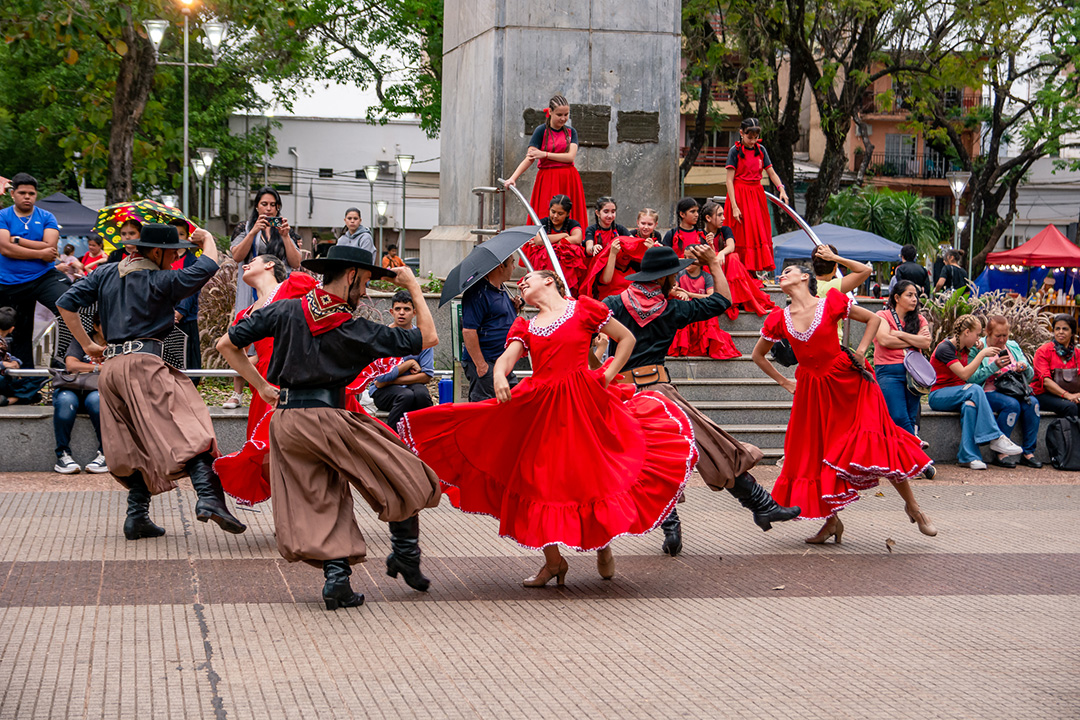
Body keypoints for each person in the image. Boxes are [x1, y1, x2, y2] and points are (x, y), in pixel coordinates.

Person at [401, 270, 695, 586]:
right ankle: (554, 562)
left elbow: (627, 339)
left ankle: (602, 544)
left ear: (549, 281)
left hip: (583, 406)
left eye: (528, 278)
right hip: (540, 408)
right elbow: (506, 359)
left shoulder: (583, 309)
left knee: (592, 475)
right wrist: (499, 376)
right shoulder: (526, 326)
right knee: (536, 481)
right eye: (521, 280)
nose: (522, 282)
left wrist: (607, 376)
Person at [217, 245, 441, 610]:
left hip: (286, 422)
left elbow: (226, 344)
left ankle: (337, 579)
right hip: (328, 418)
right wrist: (413, 286)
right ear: (350, 275)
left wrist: (261, 387)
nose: (365, 292)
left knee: (321, 497)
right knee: (404, 472)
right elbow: (429, 338)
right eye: (364, 282)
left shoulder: (286, 309)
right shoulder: (354, 328)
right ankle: (405, 553)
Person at [56, 224, 247, 541]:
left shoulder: (105, 273)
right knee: (189, 426)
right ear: (156, 252)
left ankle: (137, 518)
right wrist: (208, 239)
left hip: (111, 371)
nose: (175, 258)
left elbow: (65, 302)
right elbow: (207, 267)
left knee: (132, 445)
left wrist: (87, 344)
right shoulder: (162, 280)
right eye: (172, 253)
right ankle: (210, 498)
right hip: (143, 365)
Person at [604, 245, 799, 555]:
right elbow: (722, 301)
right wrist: (714, 265)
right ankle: (759, 505)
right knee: (707, 446)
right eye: (673, 275)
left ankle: (675, 527)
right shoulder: (672, 309)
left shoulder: (613, 304)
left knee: (651, 461)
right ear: (666, 278)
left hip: (622, 395)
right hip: (656, 393)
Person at [752, 266, 936, 543]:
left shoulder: (831, 303)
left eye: (788, 271)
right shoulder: (779, 318)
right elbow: (757, 355)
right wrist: (785, 382)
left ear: (805, 277)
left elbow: (872, 319)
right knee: (817, 453)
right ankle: (832, 522)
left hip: (847, 382)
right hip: (812, 390)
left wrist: (861, 351)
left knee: (878, 442)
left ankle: (913, 507)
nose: (782, 275)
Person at [214, 256, 318, 507]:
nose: (245, 264)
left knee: (304, 452)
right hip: (267, 389)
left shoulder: (292, 286)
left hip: (300, 379)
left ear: (270, 265)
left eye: (253, 260)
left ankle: (309, 509)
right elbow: (231, 351)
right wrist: (259, 384)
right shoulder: (246, 314)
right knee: (269, 458)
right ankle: (290, 513)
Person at [227, 187, 302, 409]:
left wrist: (286, 236)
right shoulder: (245, 227)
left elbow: (296, 262)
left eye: (273, 205)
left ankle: (273, 385)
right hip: (250, 289)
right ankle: (237, 393)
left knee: (273, 341)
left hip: (278, 290)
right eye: (264, 204)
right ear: (256, 206)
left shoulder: (284, 229)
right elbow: (237, 256)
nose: (269, 209)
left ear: (278, 208)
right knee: (243, 335)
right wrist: (253, 232)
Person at [927, 314, 1023, 469]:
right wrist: (982, 353)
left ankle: (968, 457)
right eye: (977, 335)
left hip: (959, 393)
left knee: (970, 406)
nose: (979, 339)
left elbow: (970, 375)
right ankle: (995, 437)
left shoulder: (966, 347)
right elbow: (965, 375)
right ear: (967, 332)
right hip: (939, 395)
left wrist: (978, 349)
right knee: (976, 389)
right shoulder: (945, 348)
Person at [0, 172, 68, 370]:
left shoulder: (46, 216)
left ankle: (63, 358)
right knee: (16, 329)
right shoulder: (3, 216)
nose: (27, 197)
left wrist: (17, 240)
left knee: (70, 305)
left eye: (31, 193)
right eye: (22, 193)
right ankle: (20, 381)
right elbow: (5, 249)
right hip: (8, 281)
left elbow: (51, 247)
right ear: (13, 194)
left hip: (43, 277)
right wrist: (40, 253)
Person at [873, 280, 933, 473]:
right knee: (898, 415)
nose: (914, 299)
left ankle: (907, 463)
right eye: (909, 295)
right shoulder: (882, 316)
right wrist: (914, 340)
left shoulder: (920, 319)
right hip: (888, 371)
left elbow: (926, 343)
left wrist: (898, 335)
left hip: (914, 374)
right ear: (897, 297)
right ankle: (920, 459)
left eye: (916, 295)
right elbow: (884, 340)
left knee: (908, 417)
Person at [505, 94, 588, 228]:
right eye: (559, 114)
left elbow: (570, 157)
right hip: (547, 179)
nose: (563, 118)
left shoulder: (571, 132)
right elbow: (530, 158)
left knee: (570, 217)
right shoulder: (541, 131)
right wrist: (513, 178)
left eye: (566, 114)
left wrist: (544, 154)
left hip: (569, 178)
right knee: (545, 215)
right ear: (550, 112)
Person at [973, 315, 1041, 468]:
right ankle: (1000, 452)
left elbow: (1030, 376)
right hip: (989, 391)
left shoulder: (1012, 346)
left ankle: (1028, 453)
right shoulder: (979, 347)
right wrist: (993, 368)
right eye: (998, 336)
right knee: (1011, 405)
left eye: (1005, 335)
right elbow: (973, 378)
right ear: (988, 333)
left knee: (1033, 404)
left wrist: (1024, 367)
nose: (1002, 340)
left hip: (1014, 390)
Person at [724, 118, 789, 275]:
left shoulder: (761, 150)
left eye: (755, 137)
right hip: (739, 195)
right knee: (741, 234)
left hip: (756, 196)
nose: (752, 141)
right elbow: (729, 180)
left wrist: (781, 189)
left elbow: (771, 173)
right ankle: (738, 272)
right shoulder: (735, 151)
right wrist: (734, 206)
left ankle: (753, 273)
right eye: (749, 137)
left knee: (757, 233)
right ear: (741, 133)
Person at [369, 291, 435, 430]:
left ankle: (427, 434)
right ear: (392, 312)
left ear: (414, 313)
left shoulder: (421, 338)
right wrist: (409, 364)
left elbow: (427, 375)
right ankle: (392, 437)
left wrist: (392, 381)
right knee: (406, 396)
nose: (402, 313)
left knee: (422, 394)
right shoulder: (382, 337)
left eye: (406, 309)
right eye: (398, 309)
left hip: (408, 386)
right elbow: (381, 379)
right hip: (384, 393)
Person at [461, 256, 523, 401]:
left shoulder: (501, 289)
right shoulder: (477, 292)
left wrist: (515, 308)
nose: (514, 268)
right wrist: (481, 366)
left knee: (512, 401)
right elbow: (469, 331)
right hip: (486, 361)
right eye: (512, 263)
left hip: (502, 360)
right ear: (501, 266)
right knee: (486, 405)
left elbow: (497, 318)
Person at [52, 316, 109, 475]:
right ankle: (63, 455)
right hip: (73, 387)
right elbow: (71, 365)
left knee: (97, 400)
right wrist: (99, 367)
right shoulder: (82, 340)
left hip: (98, 390)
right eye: (106, 324)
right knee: (65, 401)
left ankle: (105, 453)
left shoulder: (117, 344)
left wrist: (87, 366)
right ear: (96, 326)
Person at [700, 200, 775, 320]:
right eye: (719, 215)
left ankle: (735, 298)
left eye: (723, 214)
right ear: (708, 218)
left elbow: (731, 246)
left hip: (728, 268)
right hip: (710, 270)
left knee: (733, 257)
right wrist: (712, 248)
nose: (723, 218)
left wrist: (721, 253)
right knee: (727, 258)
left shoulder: (725, 230)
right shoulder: (699, 234)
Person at [668, 251, 741, 359]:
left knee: (708, 314)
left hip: (700, 308)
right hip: (686, 307)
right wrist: (681, 293)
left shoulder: (706, 276)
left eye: (690, 258)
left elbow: (711, 296)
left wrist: (689, 294)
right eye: (685, 257)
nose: (687, 260)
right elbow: (672, 290)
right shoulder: (680, 274)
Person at [580, 206, 656, 301]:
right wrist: (612, 253)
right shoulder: (608, 266)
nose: (625, 255)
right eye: (622, 251)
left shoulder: (634, 268)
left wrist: (650, 252)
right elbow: (606, 280)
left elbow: (652, 276)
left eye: (629, 252)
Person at [520, 194, 587, 296]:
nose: (555, 216)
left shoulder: (572, 224)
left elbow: (577, 238)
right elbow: (538, 240)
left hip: (565, 268)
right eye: (553, 212)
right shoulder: (543, 222)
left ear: (567, 213)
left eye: (560, 213)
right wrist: (563, 236)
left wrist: (557, 242)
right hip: (545, 264)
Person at [811, 244, 872, 340]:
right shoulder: (833, 287)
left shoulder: (805, 285)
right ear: (835, 267)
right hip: (833, 344)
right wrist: (834, 257)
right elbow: (866, 270)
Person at [169, 219, 202, 384]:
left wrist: (180, 312)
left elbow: (192, 288)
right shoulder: (163, 257)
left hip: (185, 317)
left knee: (188, 359)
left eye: (181, 234)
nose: (178, 238)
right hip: (164, 315)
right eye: (174, 234)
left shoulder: (192, 260)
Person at [1032, 314, 1080, 418]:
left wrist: (1077, 395)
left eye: (1065, 329)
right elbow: (1046, 381)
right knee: (1070, 407)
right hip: (1043, 394)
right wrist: (1067, 395)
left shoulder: (1078, 353)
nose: (1060, 332)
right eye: (1057, 329)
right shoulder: (1043, 351)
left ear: (1072, 332)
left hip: (1071, 394)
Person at [0, 306, 47, 406]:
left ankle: (11, 398)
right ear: (11, 329)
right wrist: (3, 364)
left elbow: (7, 355)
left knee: (41, 376)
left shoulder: (3, 342)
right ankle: (17, 398)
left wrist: (15, 362)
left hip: (7, 378)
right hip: (2, 378)